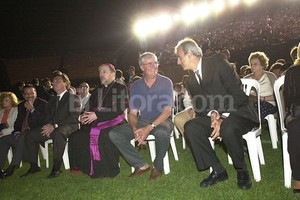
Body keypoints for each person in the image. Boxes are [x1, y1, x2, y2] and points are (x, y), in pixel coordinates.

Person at [174, 38, 259, 190]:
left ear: (190, 54)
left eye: (179, 57)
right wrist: (213, 114)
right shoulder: (191, 81)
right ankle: (219, 170)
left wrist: (222, 116)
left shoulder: (218, 62)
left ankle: (242, 170)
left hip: (240, 112)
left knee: (228, 127)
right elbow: (201, 108)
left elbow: (238, 95)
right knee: (191, 127)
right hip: (218, 115)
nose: (178, 62)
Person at [109, 52, 174, 180]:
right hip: (143, 121)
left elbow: (167, 111)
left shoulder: (166, 82)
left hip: (162, 120)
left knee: (161, 133)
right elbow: (133, 113)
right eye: (149, 63)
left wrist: (148, 128)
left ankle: (157, 167)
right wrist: (134, 129)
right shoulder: (136, 86)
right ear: (142, 67)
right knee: (114, 134)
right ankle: (141, 165)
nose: (153, 66)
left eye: (155, 62)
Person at [68, 63, 128, 178]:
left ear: (113, 74)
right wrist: (83, 116)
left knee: (103, 136)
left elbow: (119, 108)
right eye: (99, 72)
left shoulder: (120, 88)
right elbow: (88, 107)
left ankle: (107, 170)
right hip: (96, 121)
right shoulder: (97, 90)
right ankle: (81, 166)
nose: (101, 74)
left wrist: (97, 115)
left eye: (104, 71)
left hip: (115, 121)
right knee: (76, 136)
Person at [22, 71, 81, 178]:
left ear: (65, 83)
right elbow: (48, 117)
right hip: (53, 126)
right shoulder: (52, 100)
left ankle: (57, 167)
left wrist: (54, 125)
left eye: (57, 80)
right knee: (30, 135)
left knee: (58, 133)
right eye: (53, 81)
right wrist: (48, 124)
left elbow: (73, 117)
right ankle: (34, 165)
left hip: (70, 126)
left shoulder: (73, 98)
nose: (54, 83)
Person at [2, 84, 48, 177]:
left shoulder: (43, 104)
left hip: (36, 132)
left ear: (36, 93)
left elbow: (44, 121)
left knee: (23, 137)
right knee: (3, 140)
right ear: (23, 95)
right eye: (27, 94)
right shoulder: (21, 105)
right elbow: (18, 122)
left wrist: (32, 110)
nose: (30, 95)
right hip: (22, 133)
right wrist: (17, 131)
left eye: (32, 93)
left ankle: (13, 165)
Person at [283, 43, 300, 194]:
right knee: (296, 127)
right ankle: (298, 178)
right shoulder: (292, 72)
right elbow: (289, 99)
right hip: (296, 114)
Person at [245, 51, 277, 119]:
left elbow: (278, 96)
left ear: (262, 65)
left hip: (268, 104)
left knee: (254, 110)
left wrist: (262, 98)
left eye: (255, 64)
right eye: (251, 64)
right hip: (251, 104)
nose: (252, 66)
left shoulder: (270, 76)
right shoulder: (246, 79)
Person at [0, 92, 18, 179]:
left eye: (6, 100)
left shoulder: (16, 110)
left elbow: (15, 126)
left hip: (13, 134)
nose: (4, 102)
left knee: (3, 141)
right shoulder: (1, 112)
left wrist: (2, 133)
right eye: (3, 100)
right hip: (3, 136)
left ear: (12, 101)